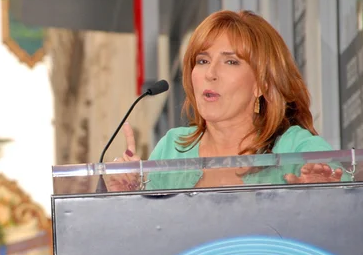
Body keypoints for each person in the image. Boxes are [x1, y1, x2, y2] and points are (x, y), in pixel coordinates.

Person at [107, 10, 343, 191]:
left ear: (263, 84)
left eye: (231, 62)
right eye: (202, 61)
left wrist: (323, 195)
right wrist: (129, 195)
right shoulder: (173, 148)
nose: (210, 73)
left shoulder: (297, 147)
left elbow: (348, 209)